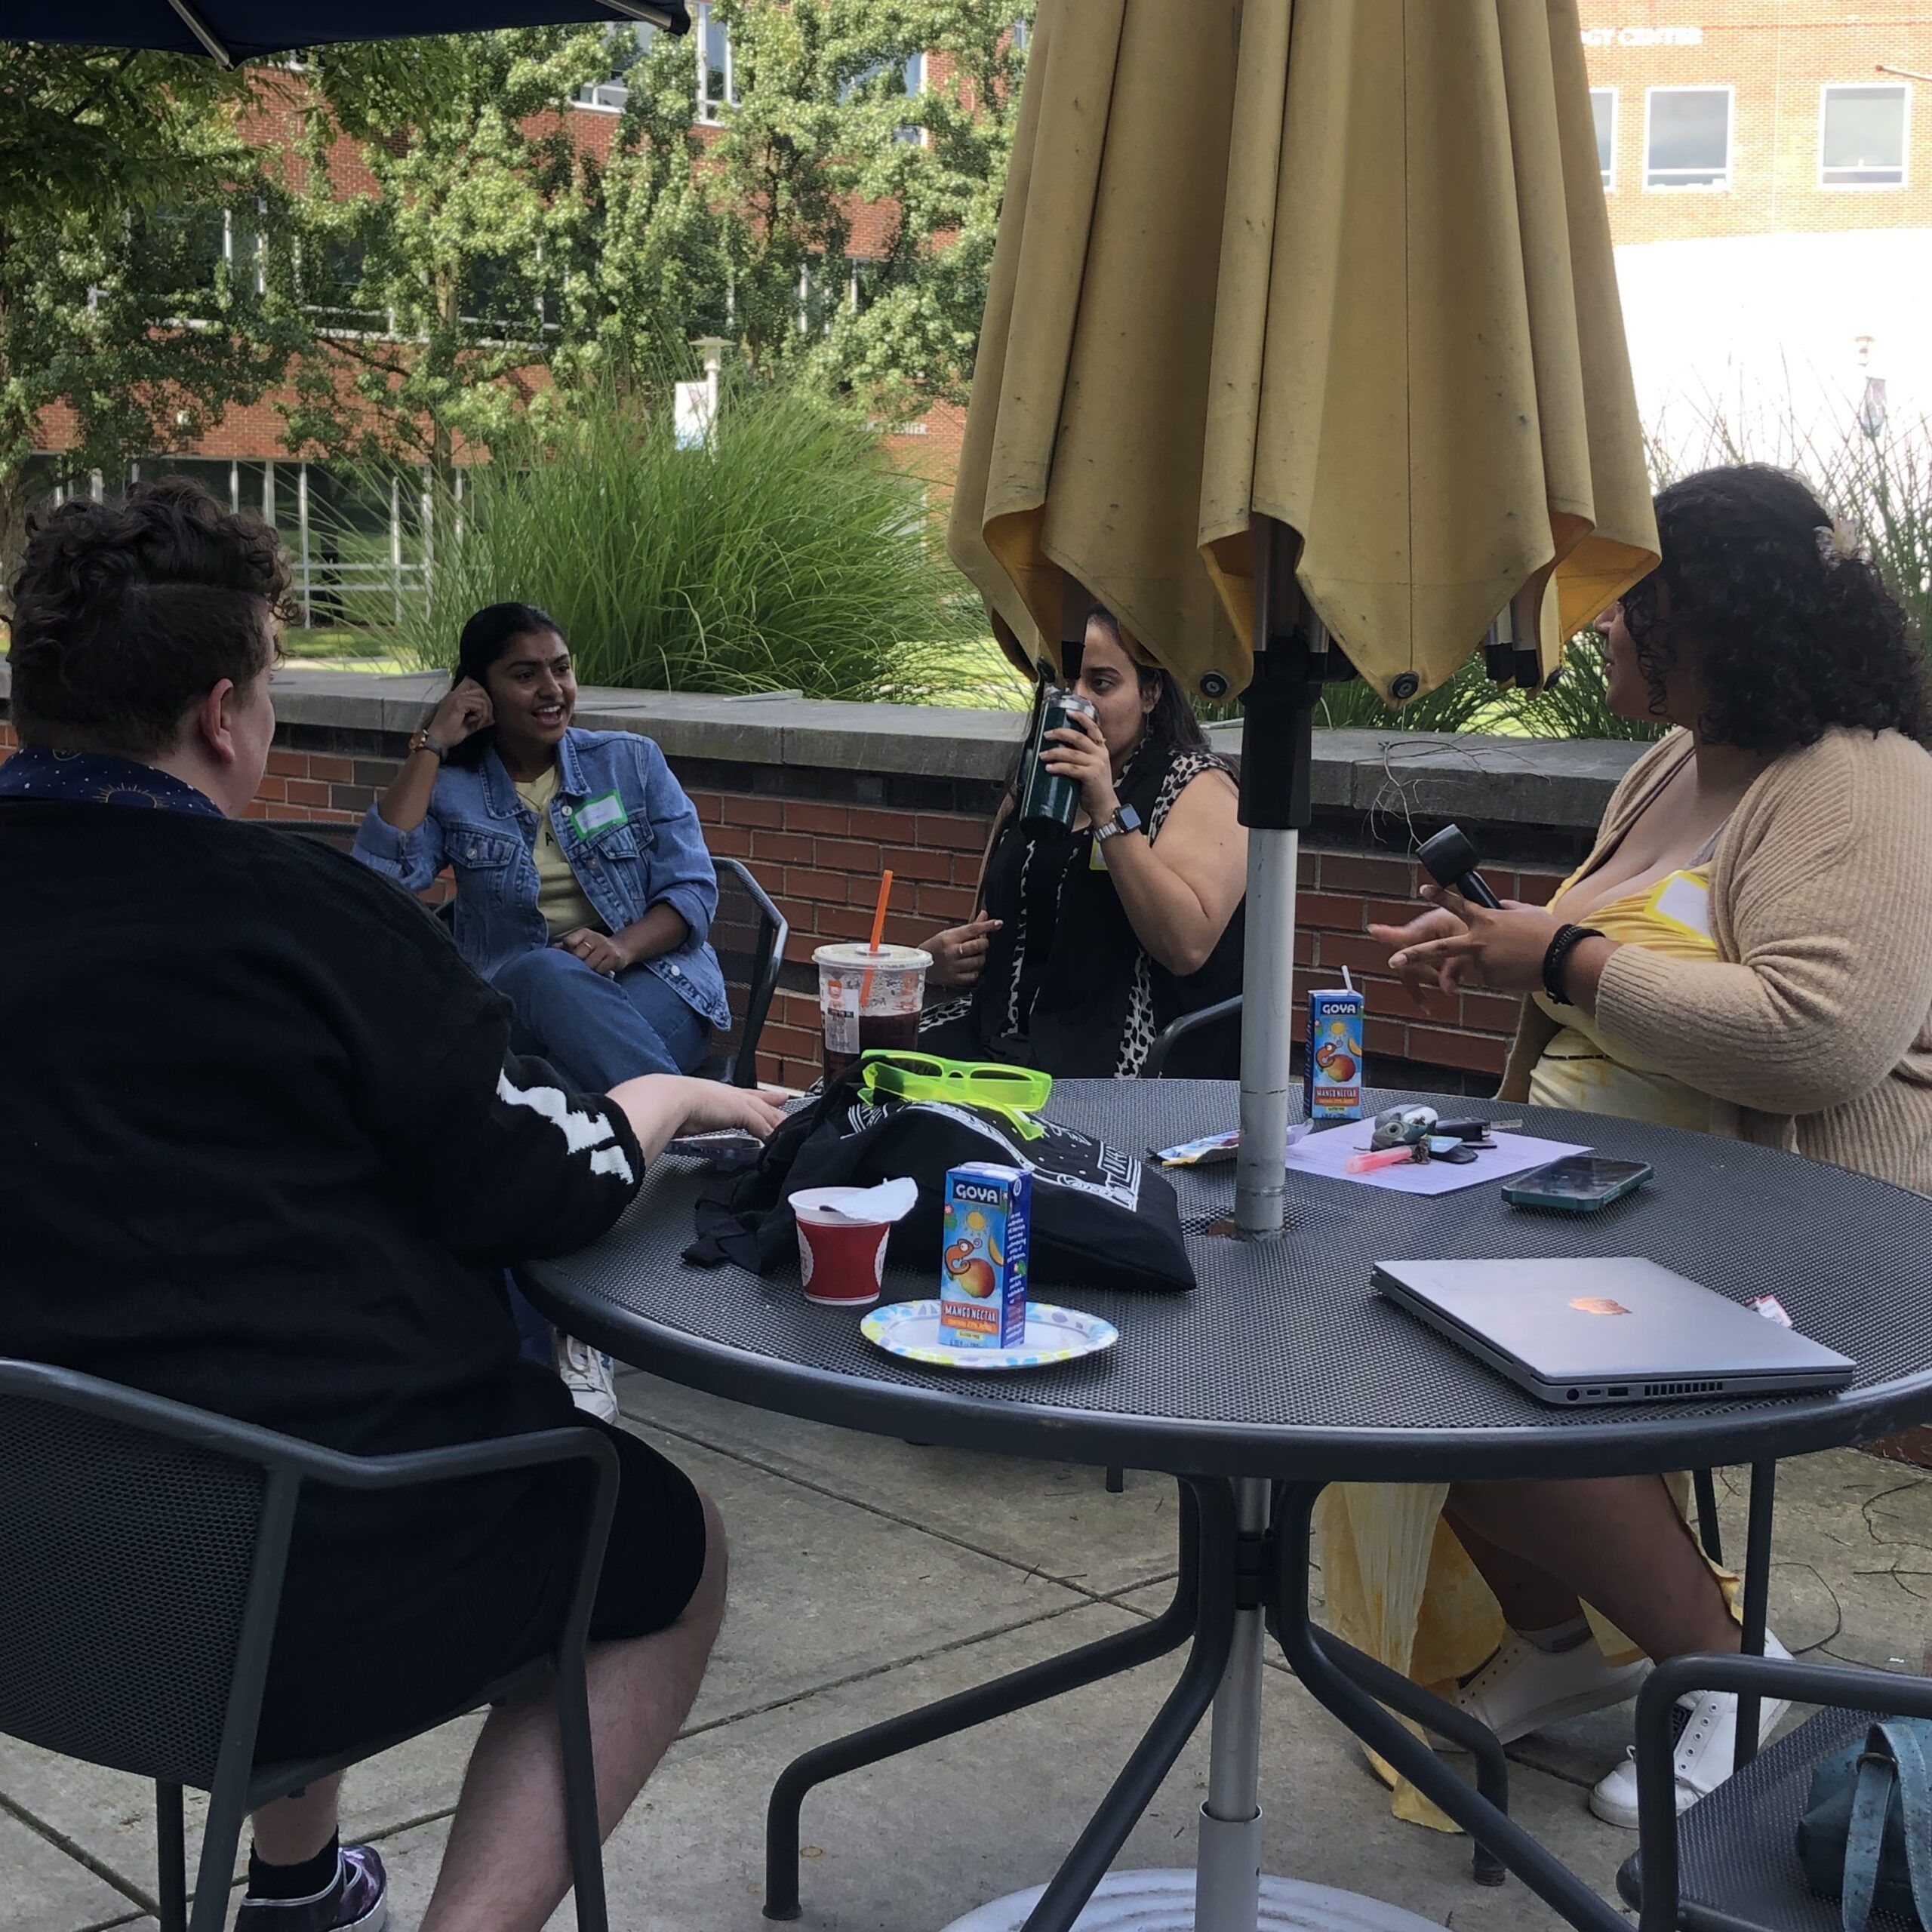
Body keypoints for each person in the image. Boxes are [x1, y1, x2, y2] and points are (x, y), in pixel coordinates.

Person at [0, 479, 783, 1932]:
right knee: (663, 1544)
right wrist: (677, 1100)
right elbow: (538, 1189)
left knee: (279, 1403)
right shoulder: (305, 919)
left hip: (36, 1592)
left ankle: (296, 1886)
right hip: (295, 1587)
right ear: (225, 715)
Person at [1338, 463, 1932, 1832]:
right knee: (1375, 1299)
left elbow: (1816, 1035)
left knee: (1490, 1344)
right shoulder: (1682, 757)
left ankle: (1724, 1671)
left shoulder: (1864, 782)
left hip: (1806, 1228)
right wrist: (1505, 952)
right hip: (1604, 1197)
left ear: (1718, 617)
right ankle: (1555, 1656)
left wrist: (1556, 953)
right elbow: (1616, 953)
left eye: (1631, 604)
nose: (1603, 626)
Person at [355, 602, 731, 1419]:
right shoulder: (454, 789)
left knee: (539, 1107)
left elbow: (693, 891)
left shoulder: (630, 761)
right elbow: (387, 878)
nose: (552, 688)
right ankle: (696, 1136)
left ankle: (563, 1337)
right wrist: (431, 743)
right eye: (524, 673)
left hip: (653, 991)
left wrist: (621, 947)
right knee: (538, 983)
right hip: (515, 1003)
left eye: (559, 666)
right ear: (479, 690)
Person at [919, 604, 1247, 1078]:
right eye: (1061, 681)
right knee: (854, 1095)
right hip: (1001, 1043)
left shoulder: (1199, 786)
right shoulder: (1033, 786)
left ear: (1151, 692)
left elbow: (1185, 947)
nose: (1076, 701)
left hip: (1123, 1064)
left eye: (1101, 683)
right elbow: (990, 926)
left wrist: (1106, 808)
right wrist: (941, 958)